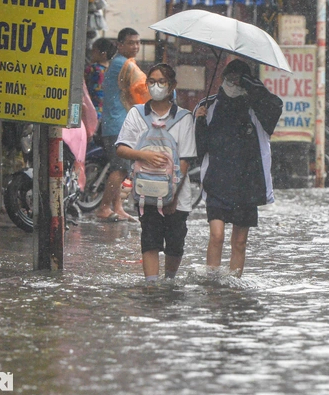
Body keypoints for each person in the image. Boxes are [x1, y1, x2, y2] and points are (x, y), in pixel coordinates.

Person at [194, 59, 283, 277]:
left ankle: (234, 285)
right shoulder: (209, 106)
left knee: (240, 241)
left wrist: (250, 86)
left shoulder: (259, 110)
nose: (233, 84)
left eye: (238, 80)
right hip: (217, 181)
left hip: (247, 184)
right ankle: (212, 280)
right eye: (229, 79)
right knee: (217, 235)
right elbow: (199, 148)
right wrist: (199, 123)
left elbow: (275, 105)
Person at [115, 64, 196, 281]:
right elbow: (121, 148)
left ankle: (169, 281)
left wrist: (173, 196)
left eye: (162, 82)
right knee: (149, 239)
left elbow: (186, 160)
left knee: (175, 243)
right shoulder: (137, 114)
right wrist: (144, 156)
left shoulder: (184, 118)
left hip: (177, 196)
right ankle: (151, 287)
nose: (156, 86)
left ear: (172, 86)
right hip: (146, 191)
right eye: (151, 81)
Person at [96, 27, 143, 222]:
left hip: (118, 123)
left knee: (124, 168)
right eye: (131, 43)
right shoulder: (123, 65)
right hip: (117, 125)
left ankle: (117, 207)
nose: (136, 46)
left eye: (138, 42)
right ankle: (104, 207)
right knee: (121, 168)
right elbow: (146, 87)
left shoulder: (120, 63)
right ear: (119, 44)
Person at [84, 37, 117, 121]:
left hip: (92, 110)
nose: (91, 53)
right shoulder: (113, 70)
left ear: (103, 54)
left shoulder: (93, 69)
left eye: (94, 51)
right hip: (107, 113)